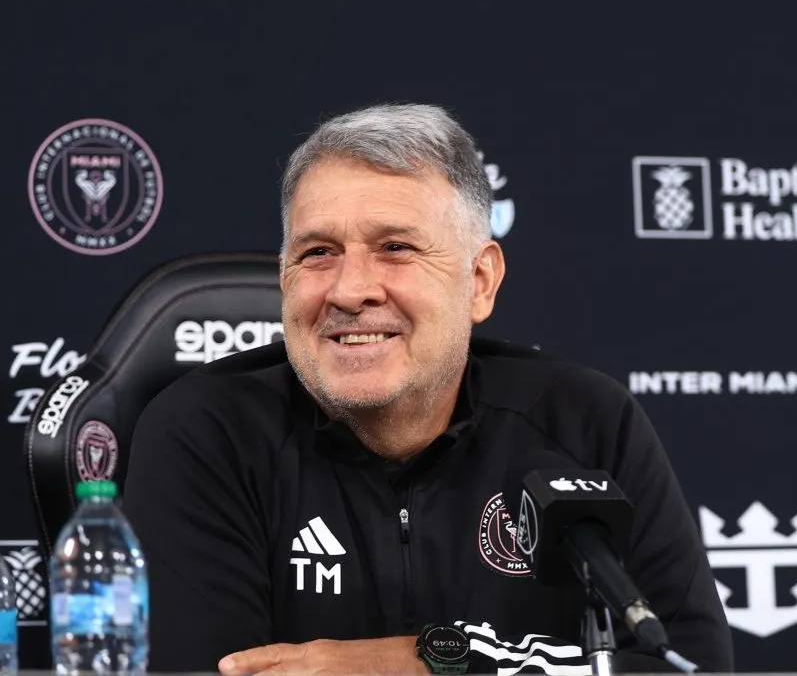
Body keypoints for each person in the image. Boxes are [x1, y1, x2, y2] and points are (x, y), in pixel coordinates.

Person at [121, 103, 734, 675]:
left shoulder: (584, 423)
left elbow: (684, 663)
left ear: (479, 281)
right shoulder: (206, 431)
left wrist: (428, 661)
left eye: (395, 248)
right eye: (318, 252)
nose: (348, 289)